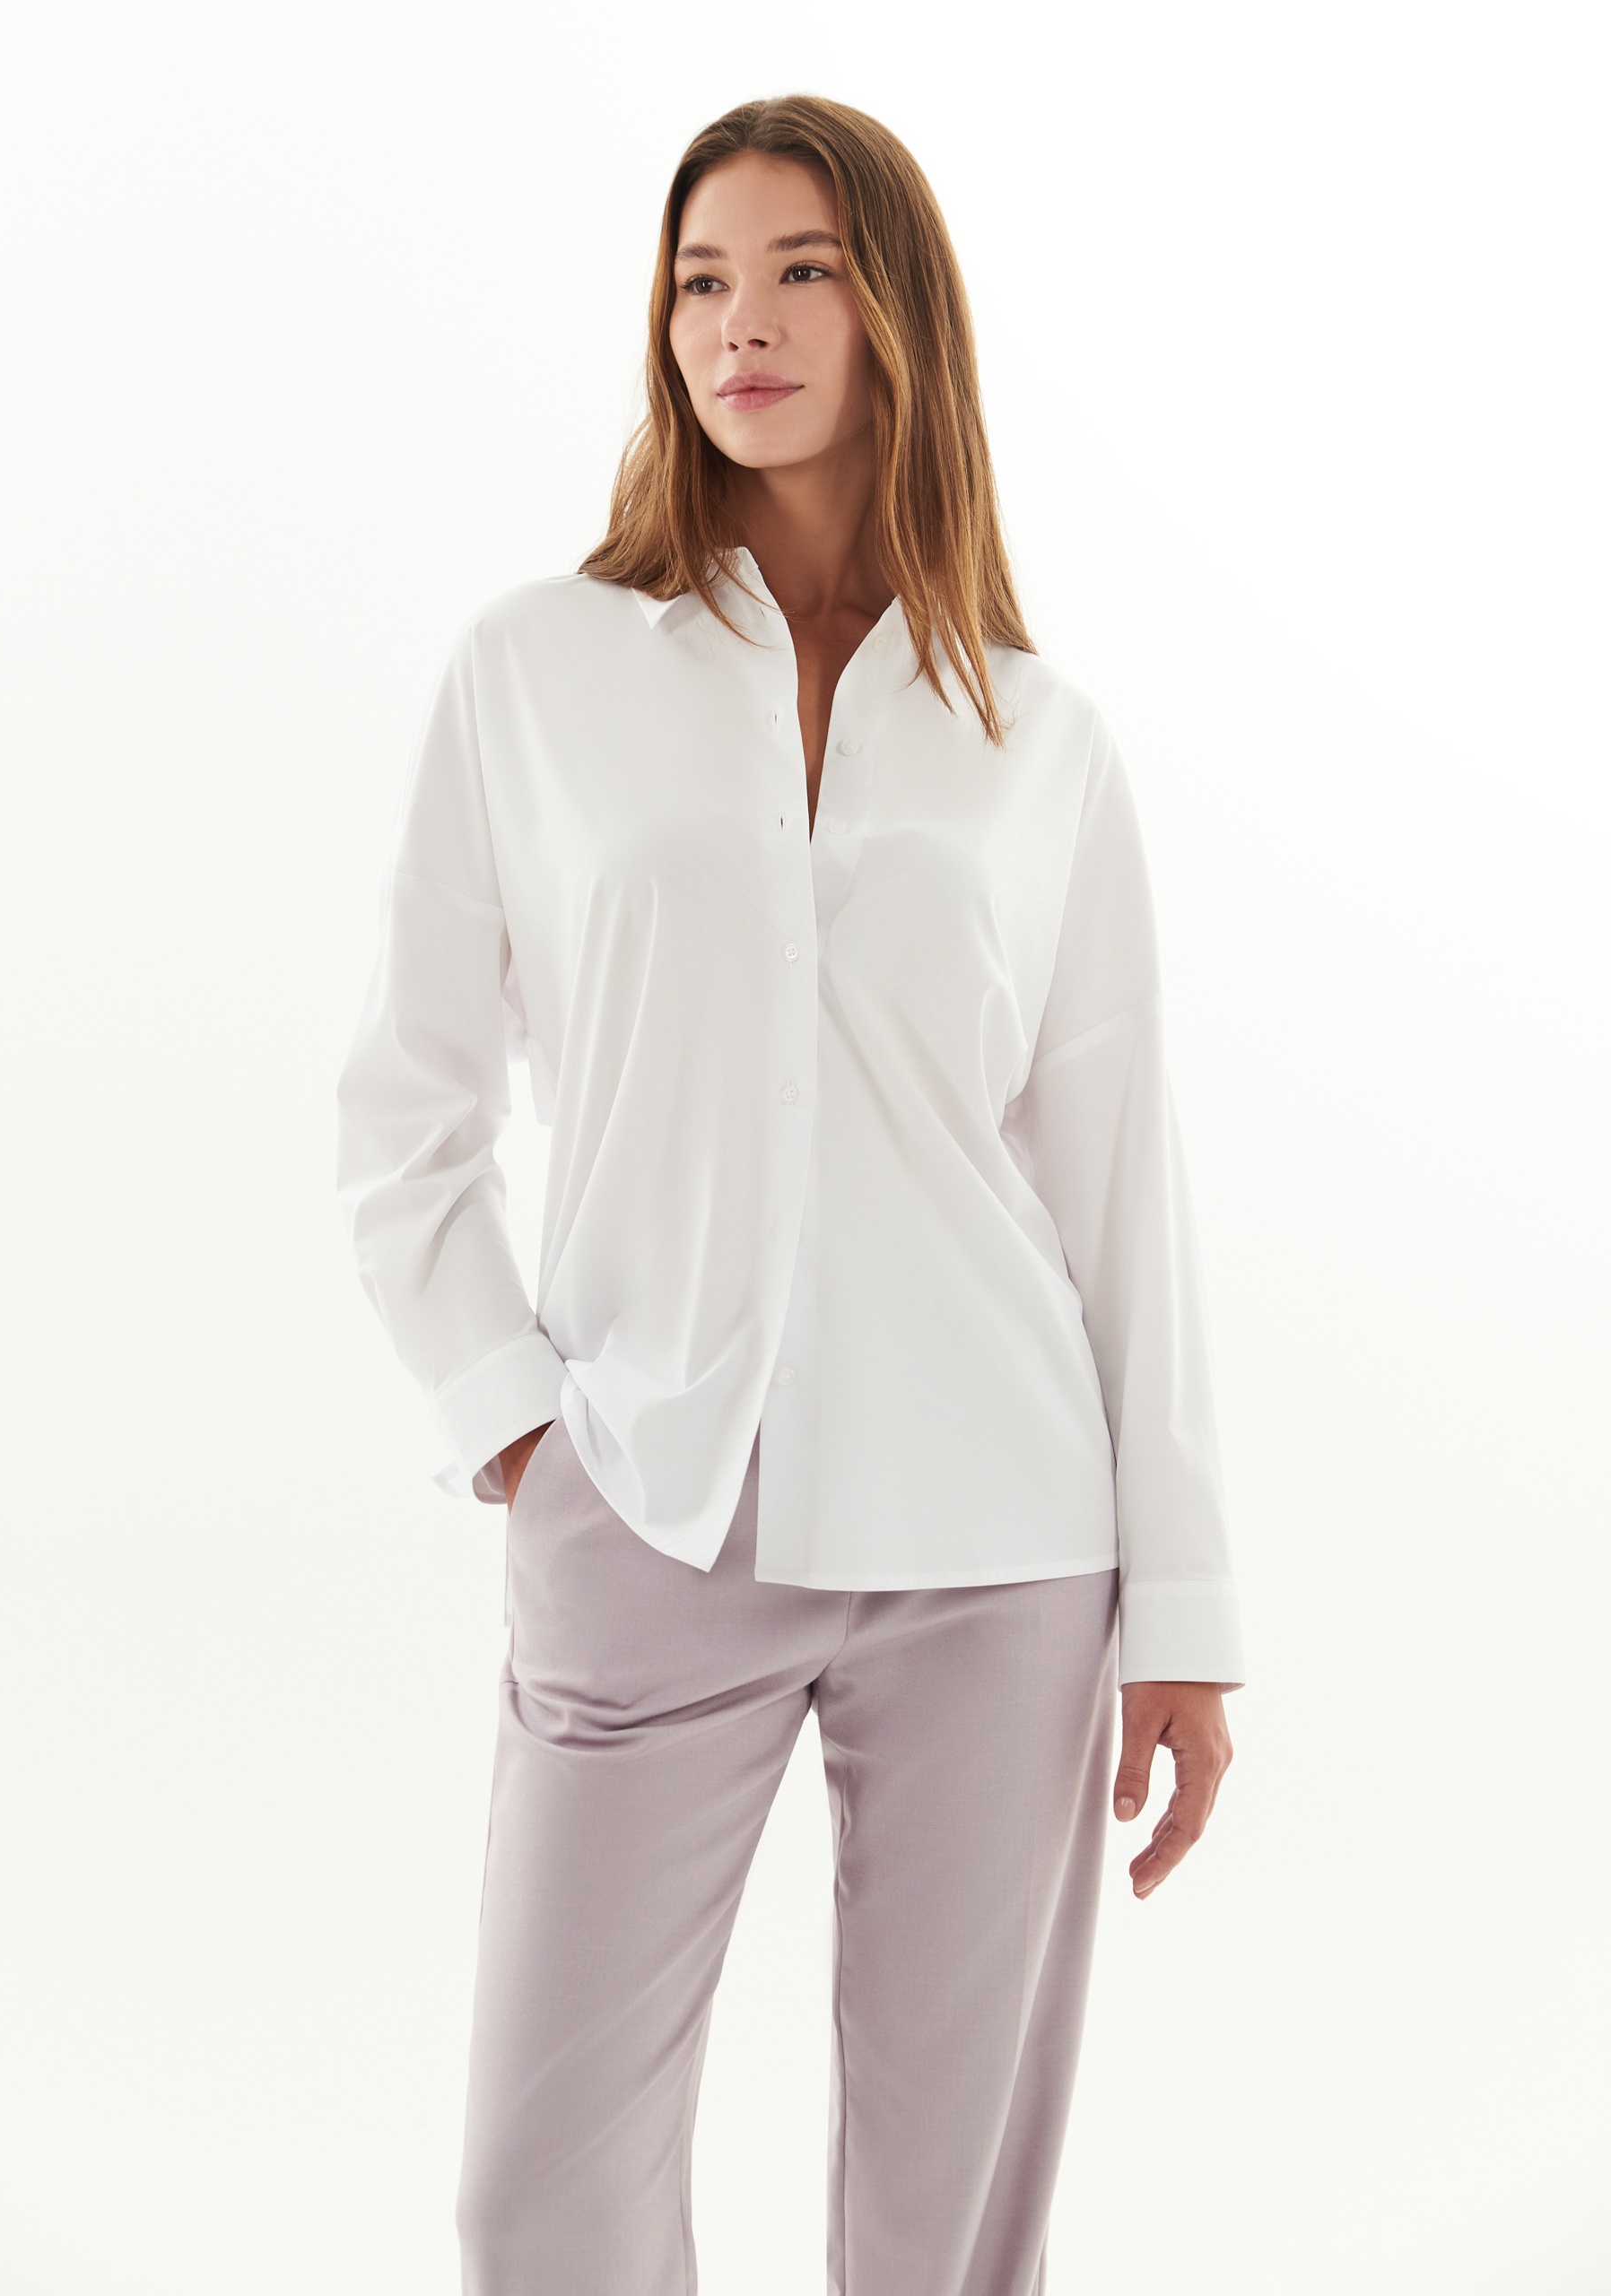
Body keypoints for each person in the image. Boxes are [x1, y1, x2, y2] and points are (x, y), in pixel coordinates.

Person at [335, 91, 1244, 2296]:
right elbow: (404, 1112)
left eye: (801, 270)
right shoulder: (538, 671)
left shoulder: (1037, 737)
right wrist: (528, 1436)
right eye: (701, 280)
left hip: (1001, 1543)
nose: (739, 322)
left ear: (895, 308)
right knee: (540, 2201)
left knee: (945, 2234)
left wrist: (1185, 1619)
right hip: (645, 1506)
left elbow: (1123, 1184)